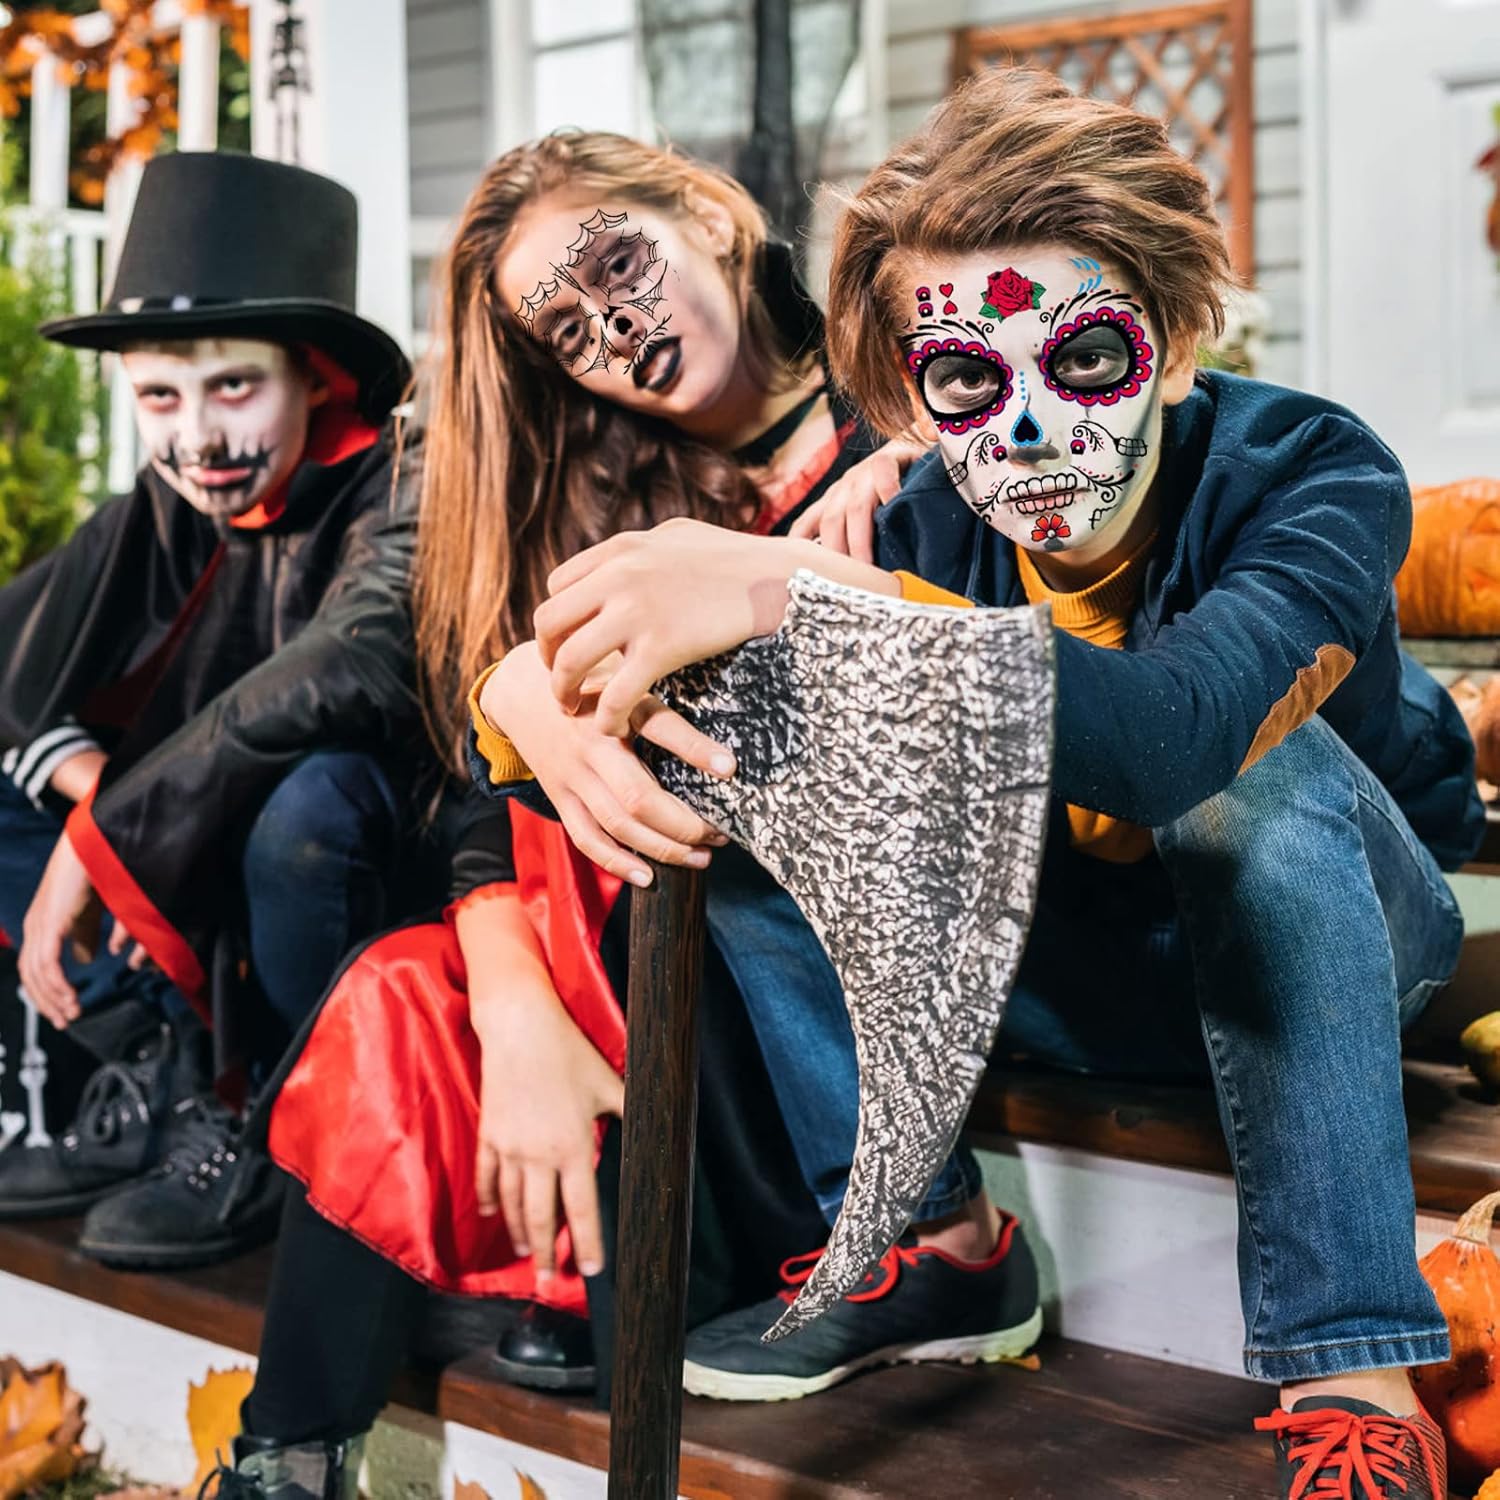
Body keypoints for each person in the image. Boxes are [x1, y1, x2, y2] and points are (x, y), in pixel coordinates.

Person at [483, 70, 1479, 1499]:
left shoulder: (1314, 472)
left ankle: (1355, 1376)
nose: (1022, 431)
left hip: (1338, 958)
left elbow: (1174, 739)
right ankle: (933, 1240)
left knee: (1251, 773)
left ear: (1177, 341)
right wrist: (520, 691)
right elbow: (619, 743)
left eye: (1084, 360)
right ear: (912, 397)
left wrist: (808, 591)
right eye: (966, 382)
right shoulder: (922, 522)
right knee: (758, 752)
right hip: (1077, 981)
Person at [203, 130, 1037, 1500]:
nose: (615, 332)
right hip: (648, 959)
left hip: (851, 962)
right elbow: (494, 797)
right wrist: (512, 1007)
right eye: (569, 331)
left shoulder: (919, 388)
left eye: (616, 266)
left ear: (704, 211)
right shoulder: (608, 493)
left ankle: (593, 1292)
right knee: (411, 988)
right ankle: (284, 1467)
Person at [0, 150, 431, 1270]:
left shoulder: (404, 477)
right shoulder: (168, 500)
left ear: (318, 377)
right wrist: (97, 799)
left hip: (376, 866)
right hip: (203, 842)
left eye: (234, 387)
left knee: (306, 810)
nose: (196, 438)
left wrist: (115, 830)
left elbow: (354, 661)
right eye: (159, 397)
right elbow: (20, 666)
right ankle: (159, 1070)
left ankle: (281, 1120)